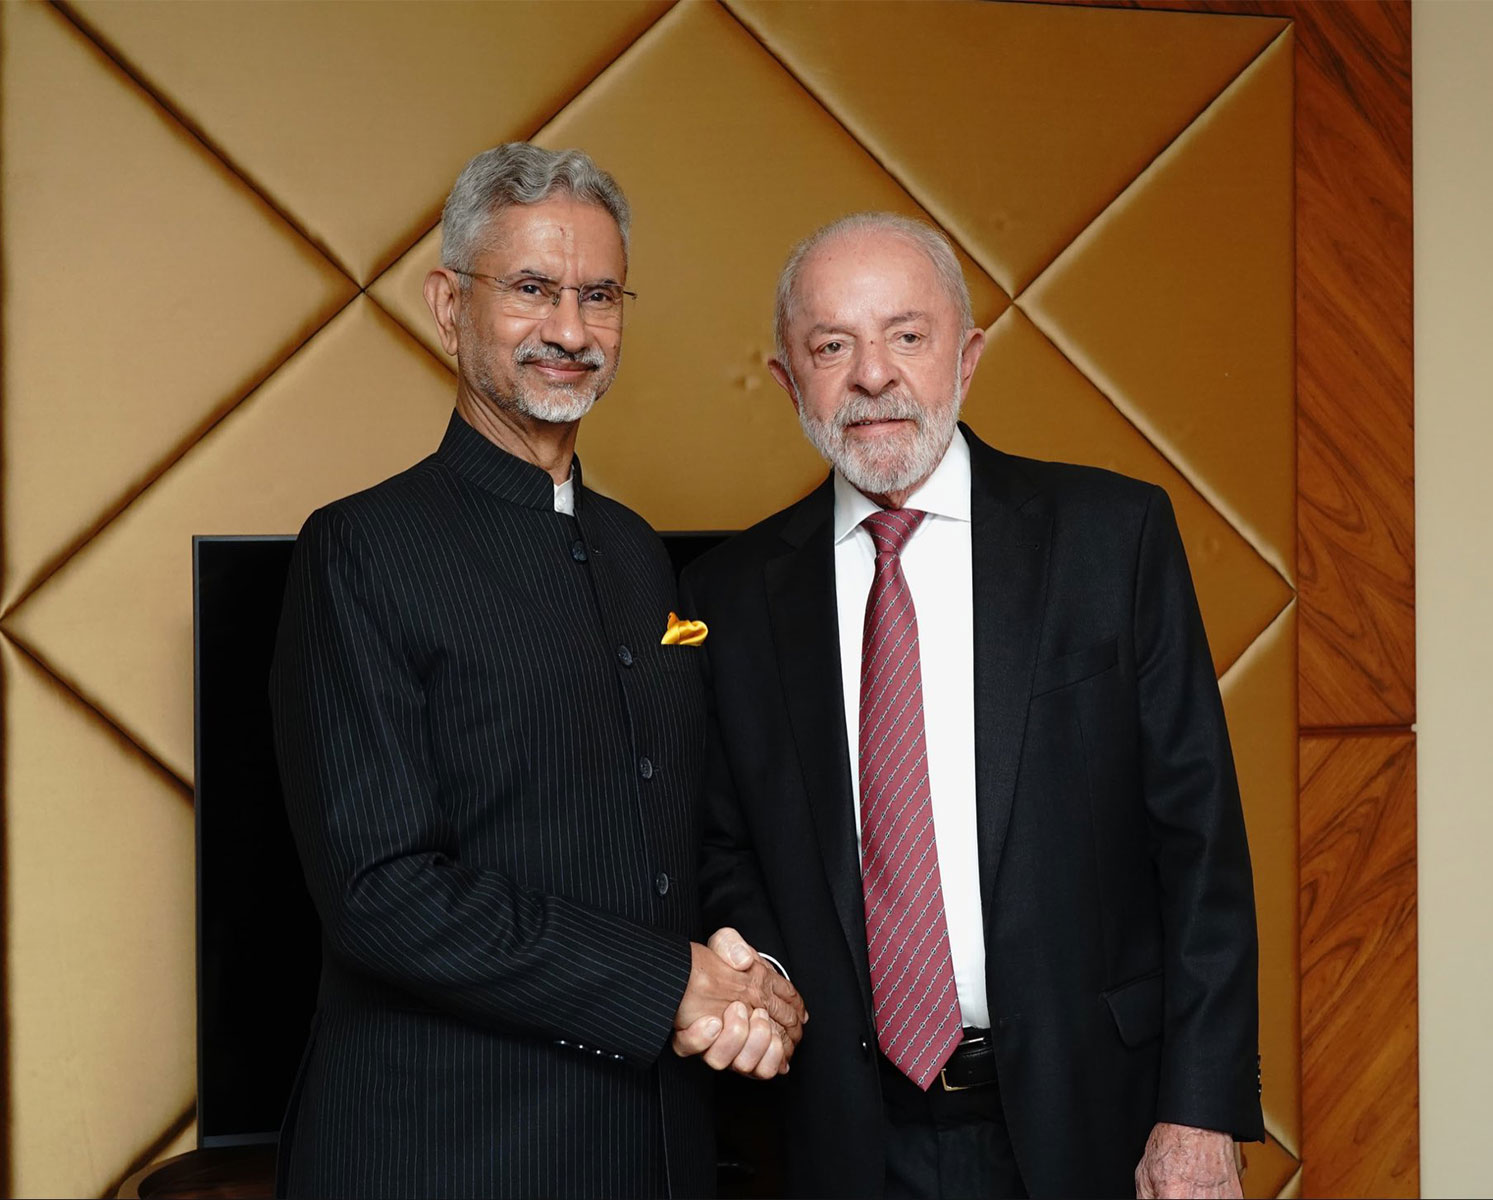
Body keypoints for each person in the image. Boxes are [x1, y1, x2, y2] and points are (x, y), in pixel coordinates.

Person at [676, 213, 1262, 1198]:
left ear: (968, 355)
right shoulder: (726, 599)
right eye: (831, 345)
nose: (872, 376)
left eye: (907, 336)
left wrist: (1199, 1112)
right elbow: (725, 845)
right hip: (843, 1136)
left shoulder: (1109, 540)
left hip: (1096, 1116)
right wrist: (762, 970)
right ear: (787, 380)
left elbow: (1199, 849)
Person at [268, 143, 802, 1200]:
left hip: (649, 1150)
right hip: (444, 1153)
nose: (569, 331)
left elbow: (695, 823)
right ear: (446, 304)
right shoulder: (358, 551)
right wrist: (673, 984)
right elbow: (383, 893)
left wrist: (763, 979)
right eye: (531, 290)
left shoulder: (640, 551)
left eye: (598, 295)